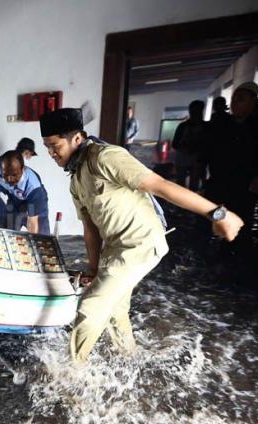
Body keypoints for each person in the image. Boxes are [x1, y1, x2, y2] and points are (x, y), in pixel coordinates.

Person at [39, 108, 243, 364]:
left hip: (140, 244)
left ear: (77, 139)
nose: (51, 153)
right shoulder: (76, 179)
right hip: (117, 249)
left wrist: (217, 213)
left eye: (55, 146)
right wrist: (93, 268)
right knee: (114, 309)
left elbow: (161, 186)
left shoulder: (106, 157)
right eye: (47, 147)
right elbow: (90, 229)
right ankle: (129, 358)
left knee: (91, 307)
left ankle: (70, 375)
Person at [200, 82, 258, 250]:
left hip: (244, 186)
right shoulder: (222, 124)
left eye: (241, 99)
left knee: (240, 224)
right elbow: (206, 152)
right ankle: (206, 255)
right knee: (210, 218)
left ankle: (233, 257)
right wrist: (202, 175)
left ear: (253, 102)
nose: (235, 103)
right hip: (218, 183)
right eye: (234, 98)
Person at [0, 150, 50, 234]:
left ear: (23, 169)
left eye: (14, 175)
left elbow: (32, 223)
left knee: (42, 238)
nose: (9, 179)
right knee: (9, 231)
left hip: (33, 197)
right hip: (15, 198)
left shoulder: (34, 189)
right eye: (6, 175)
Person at [171, 100, 207, 191]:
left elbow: (175, 144)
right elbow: (175, 144)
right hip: (188, 159)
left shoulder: (183, 126)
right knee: (188, 184)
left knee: (188, 184)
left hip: (194, 160)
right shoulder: (204, 126)